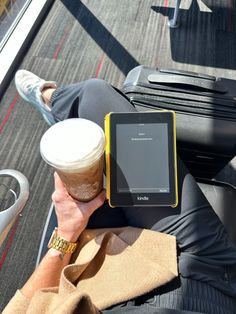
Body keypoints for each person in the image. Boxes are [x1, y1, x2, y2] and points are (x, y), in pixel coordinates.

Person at [3, 70, 236, 314]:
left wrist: (66, 234)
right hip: (207, 275)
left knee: (93, 96)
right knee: (99, 119)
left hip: (102, 286)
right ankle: (60, 111)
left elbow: (28, 307)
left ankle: (50, 100)